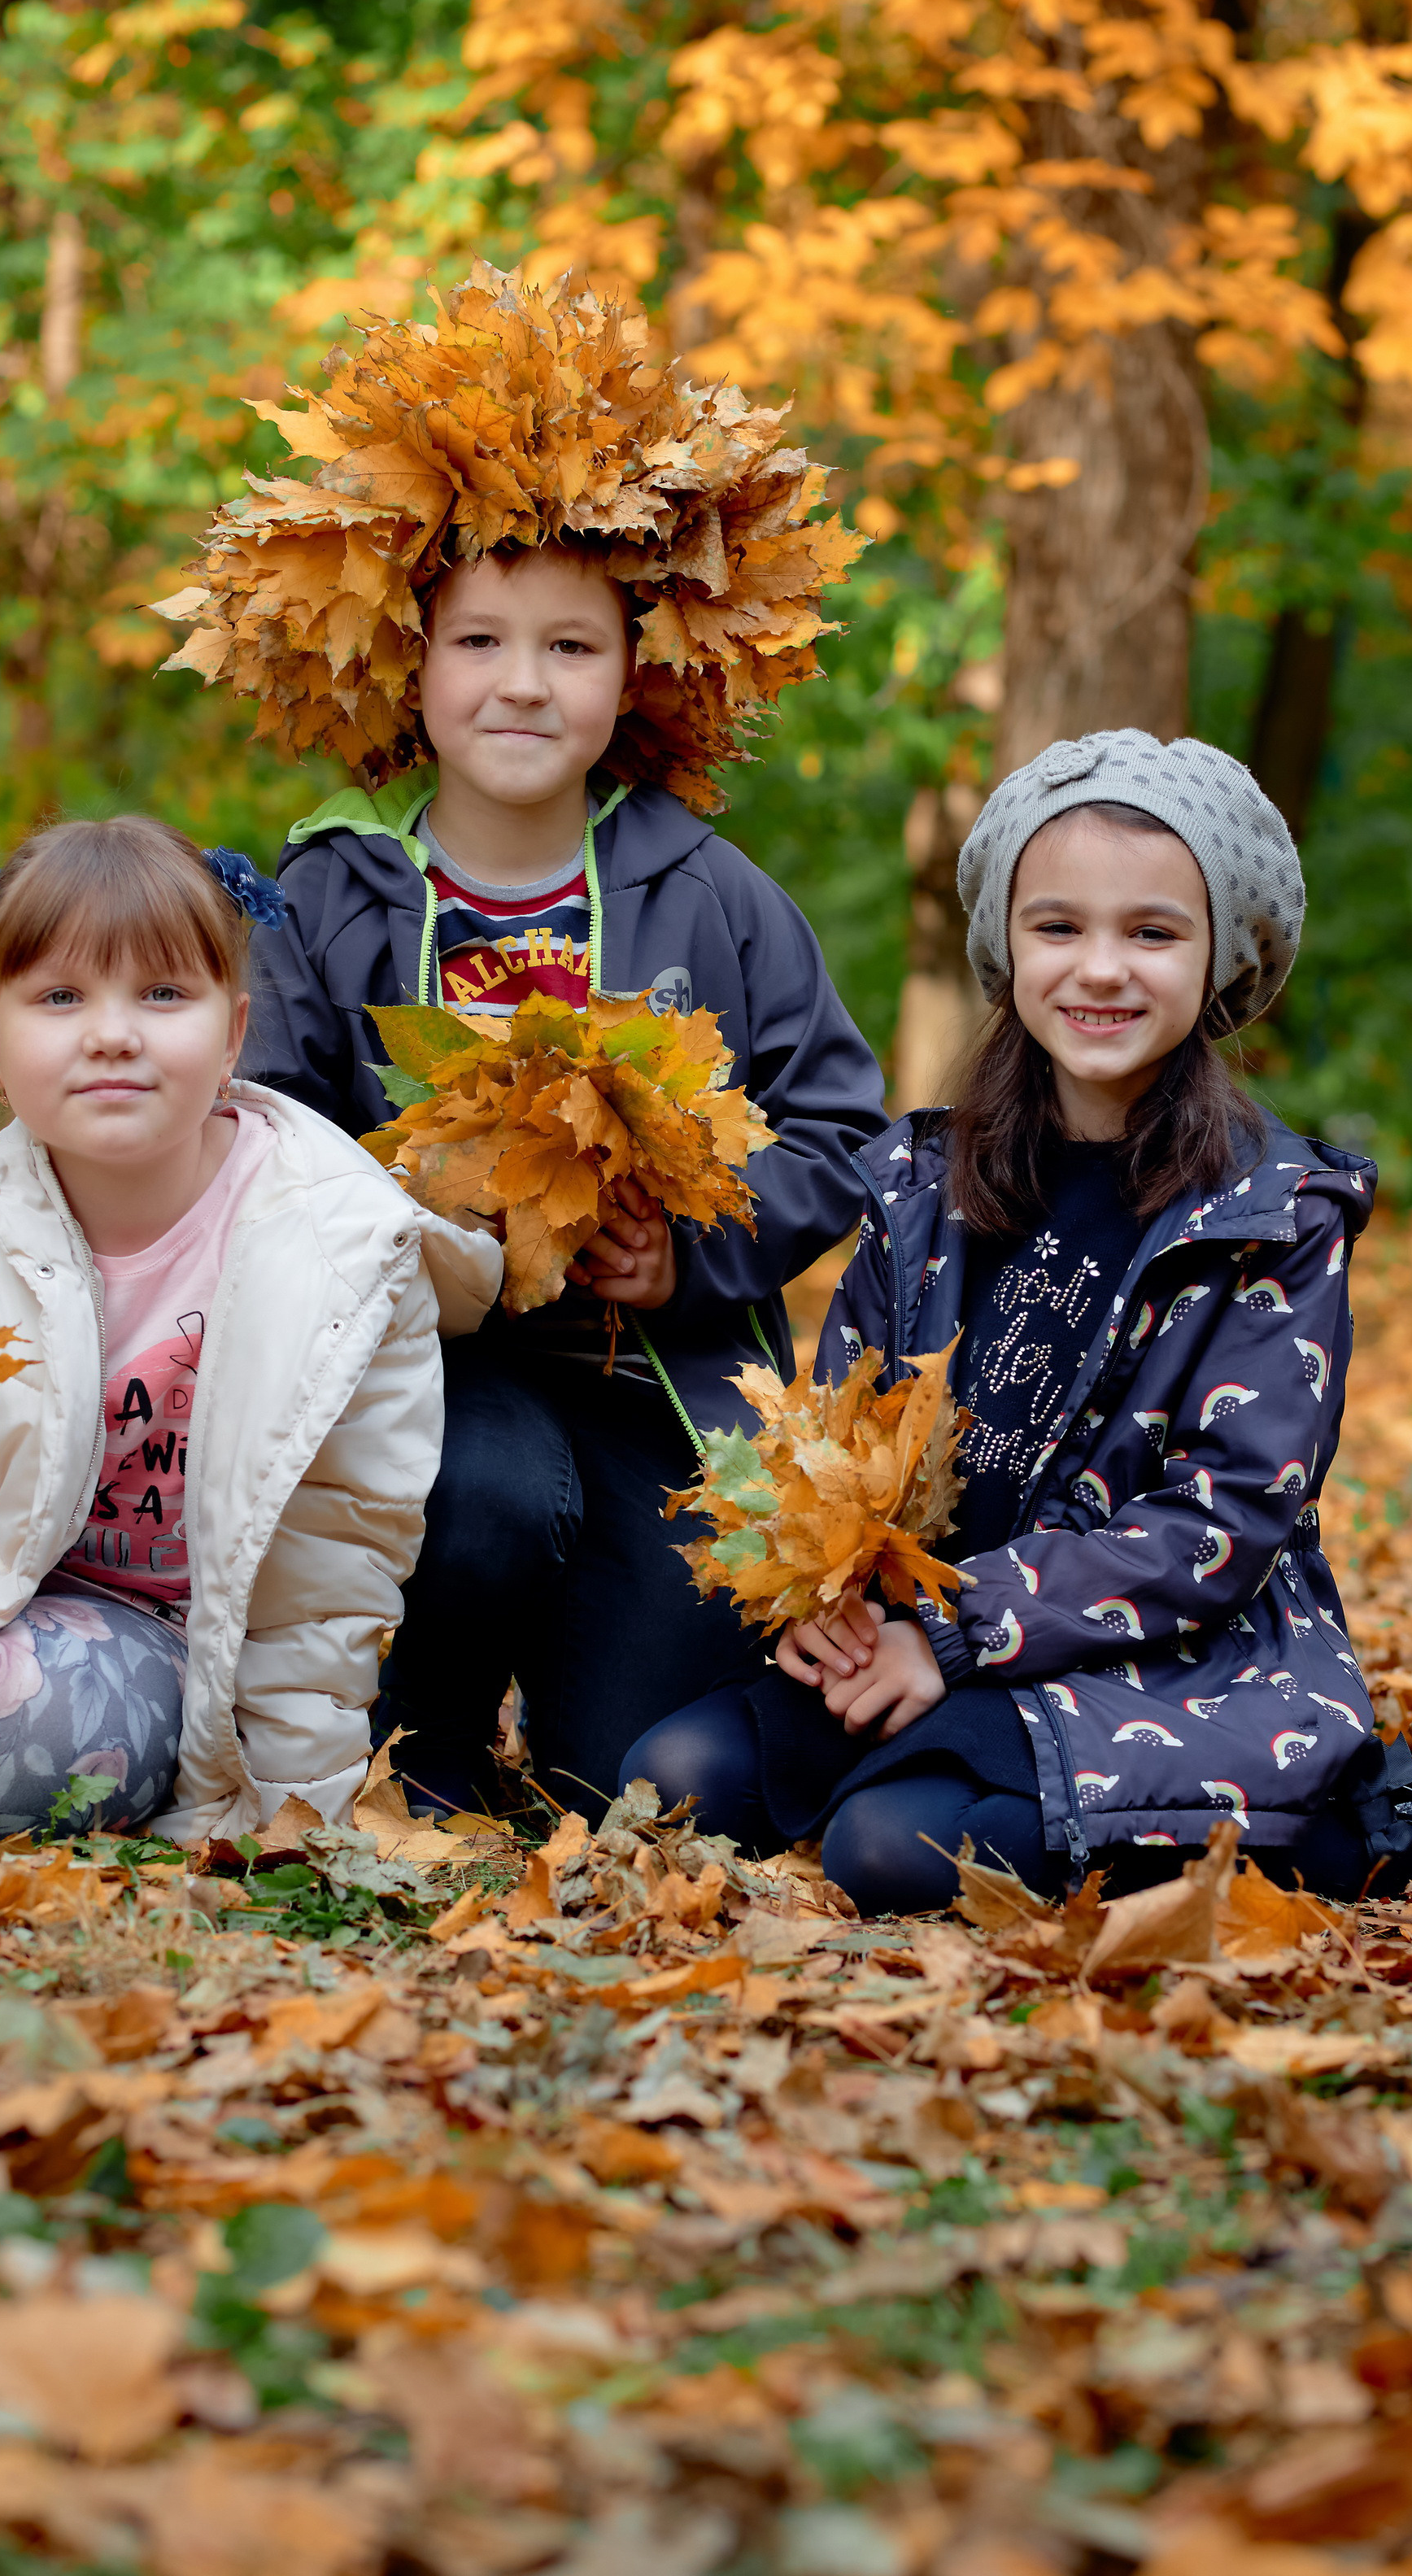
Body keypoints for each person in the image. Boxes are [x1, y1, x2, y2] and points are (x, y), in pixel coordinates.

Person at [159, 264, 888, 1817]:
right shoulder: (334, 887)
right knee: (486, 1492)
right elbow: (262, 1134)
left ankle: (566, 1723)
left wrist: (691, 1259)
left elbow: (838, 1128)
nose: (522, 682)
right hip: (425, 1371)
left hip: (661, 1380)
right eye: (480, 640)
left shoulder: (712, 890)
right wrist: (405, 1222)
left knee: (630, 1778)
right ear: (410, 668)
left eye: (570, 646)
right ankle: (415, 1738)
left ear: (635, 674)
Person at [621, 728, 1412, 1912]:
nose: (1100, 969)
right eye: (1059, 927)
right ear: (1007, 947)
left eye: (1151, 933)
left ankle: (1380, 1827)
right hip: (929, 1628)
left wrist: (949, 1639)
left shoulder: (1273, 1215)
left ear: (1220, 958)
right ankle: (937, 1746)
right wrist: (828, 1604)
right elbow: (839, 1443)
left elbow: (1223, 1519)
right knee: (677, 1776)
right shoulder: (920, 1185)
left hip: (1164, 1657)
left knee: (892, 1852)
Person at [0, 817, 500, 1841]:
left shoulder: (341, 1260)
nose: (112, 1034)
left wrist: (285, 1816)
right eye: (59, 997)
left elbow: (333, 1564)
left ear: (232, 1033)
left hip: (145, 1638)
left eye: (161, 994)